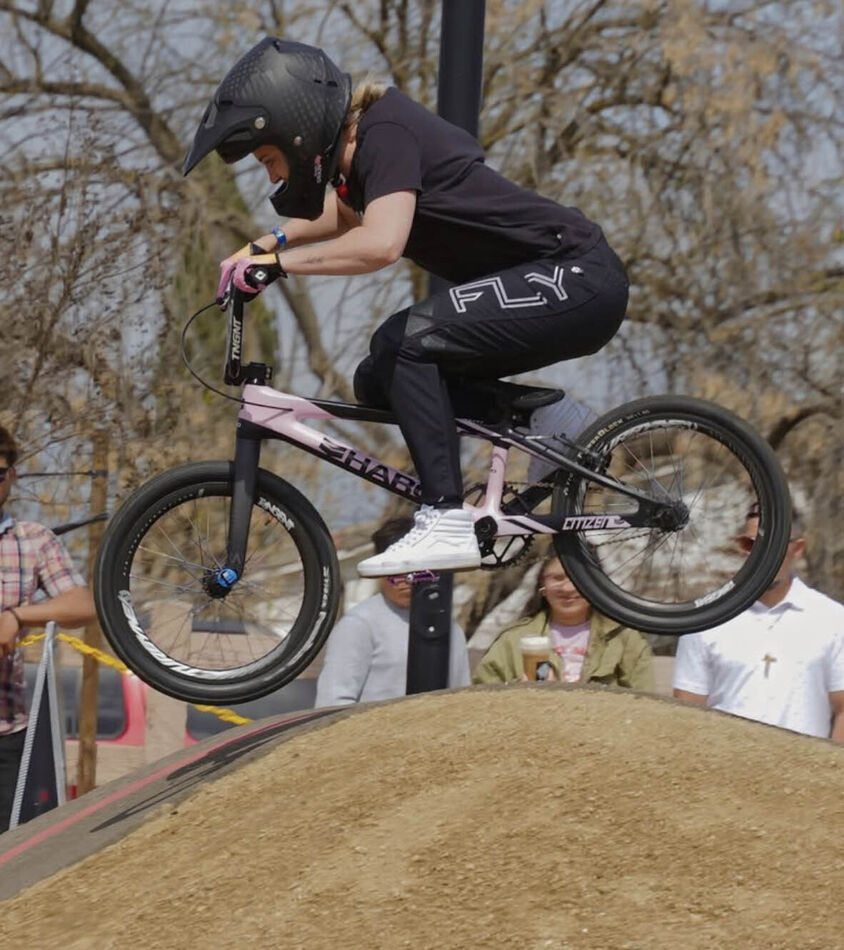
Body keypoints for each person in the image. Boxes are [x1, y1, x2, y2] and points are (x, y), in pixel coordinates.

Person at [182, 37, 628, 577]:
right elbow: (345, 217)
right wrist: (266, 244)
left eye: (270, 159)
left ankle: (444, 516)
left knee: (406, 340)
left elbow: (380, 243)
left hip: (576, 274)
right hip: (553, 282)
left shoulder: (385, 132)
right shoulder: (365, 155)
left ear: (297, 129)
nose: (273, 176)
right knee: (380, 376)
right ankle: (548, 416)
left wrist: (279, 265)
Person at [673, 507, 844, 741]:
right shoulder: (707, 619)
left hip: (804, 772)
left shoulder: (832, 619)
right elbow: (686, 713)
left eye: (774, 542)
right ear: (741, 546)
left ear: (799, 548)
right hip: (725, 770)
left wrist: (831, 773)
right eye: (750, 543)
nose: (762, 553)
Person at [0, 426, 97, 831]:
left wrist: (18, 616)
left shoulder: (32, 540)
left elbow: (84, 603)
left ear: (13, 475)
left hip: (7, 734)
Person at [315, 517, 471, 706]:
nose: (406, 579)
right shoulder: (359, 625)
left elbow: (462, 701)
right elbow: (332, 703)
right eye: (395, 570)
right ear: (379, 570)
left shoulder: (450, 630)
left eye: (414, 568)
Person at [472, 553, 654, 690]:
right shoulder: (513, 640)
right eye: (557, 578)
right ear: (542, 586)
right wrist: (517, 692)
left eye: (577, 578)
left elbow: (646, 705)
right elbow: (482, 700)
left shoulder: (625, 639)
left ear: (596, 584)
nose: (567, 588)